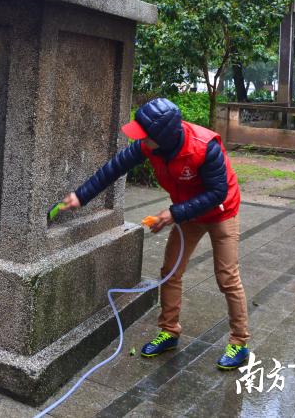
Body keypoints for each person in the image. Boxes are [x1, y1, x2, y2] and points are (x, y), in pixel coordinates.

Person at [60, 97, 249, 371]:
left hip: (221, 212)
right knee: (170, 271)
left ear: (164, 136)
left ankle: (239, 342)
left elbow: (217, 192)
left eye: (144, 135)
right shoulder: (150, 147)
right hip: (187, 213)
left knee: (227, 278)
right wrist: (81, 196)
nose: (140, 140)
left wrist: (172, 214)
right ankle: (170, 332)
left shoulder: (204, 147)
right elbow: (114, 168)